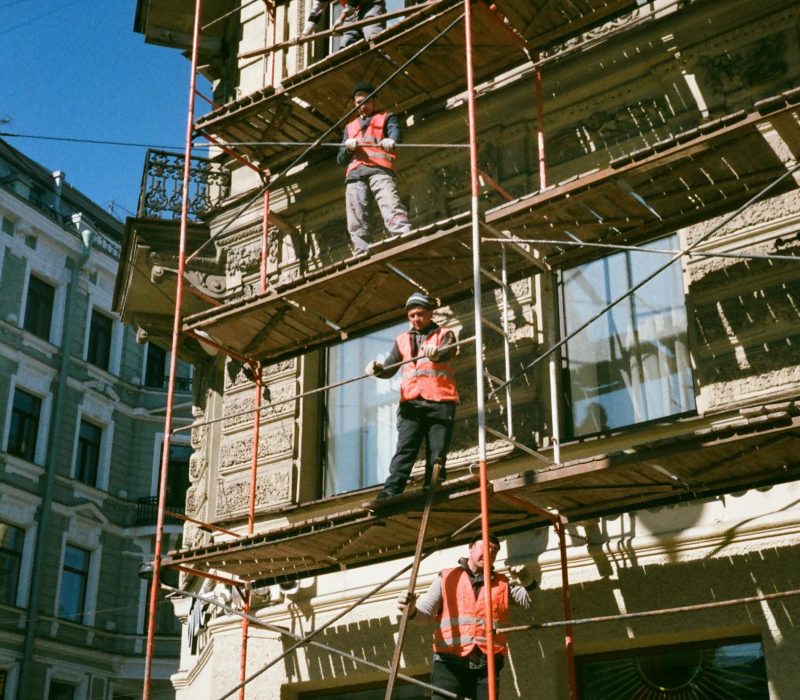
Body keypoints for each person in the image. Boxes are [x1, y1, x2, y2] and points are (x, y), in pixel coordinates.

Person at [399, 534, 536, 700]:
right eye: (485, 547)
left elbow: (530, 602)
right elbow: (425, 616)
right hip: (449, 664)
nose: (489, 553)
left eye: (494, 551)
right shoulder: (447, 578)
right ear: (471, 548)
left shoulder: (502, 583)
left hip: (487, 665)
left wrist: (528, 581)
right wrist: (411, 610)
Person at [365, 292, 456, 500]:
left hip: (440, 401)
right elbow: (390, 367)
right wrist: (378, 369)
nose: (416, 319)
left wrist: (437, 353)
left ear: (430, 313)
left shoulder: (445, 334)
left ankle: (433, 485)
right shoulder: (402, 340)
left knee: (437, 450)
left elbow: (448, 350)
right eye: (412, 315)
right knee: (405, 448)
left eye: (420, 314)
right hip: (411, 403)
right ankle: (392, 489)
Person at [337, 82, 412, 256]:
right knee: (356, 215)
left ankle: (402, 233)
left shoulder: (387, 117)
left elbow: (396, 134)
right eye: (359, 103)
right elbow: (341, 159)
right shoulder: (349, 127)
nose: (363, 106)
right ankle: (361, 249)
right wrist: (347, 149)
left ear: (374, 101)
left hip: (379, 170)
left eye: (366, 101)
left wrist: (392, 140)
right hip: (355, 175)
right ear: (355, 104)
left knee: (389, 202)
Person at [301, 0, 387, 48]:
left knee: (373, 38)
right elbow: (315, 13)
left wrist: (341, 18)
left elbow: (354, 2)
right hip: (352, 14)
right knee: (345, 47)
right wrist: (304, 35)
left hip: (370, 5)